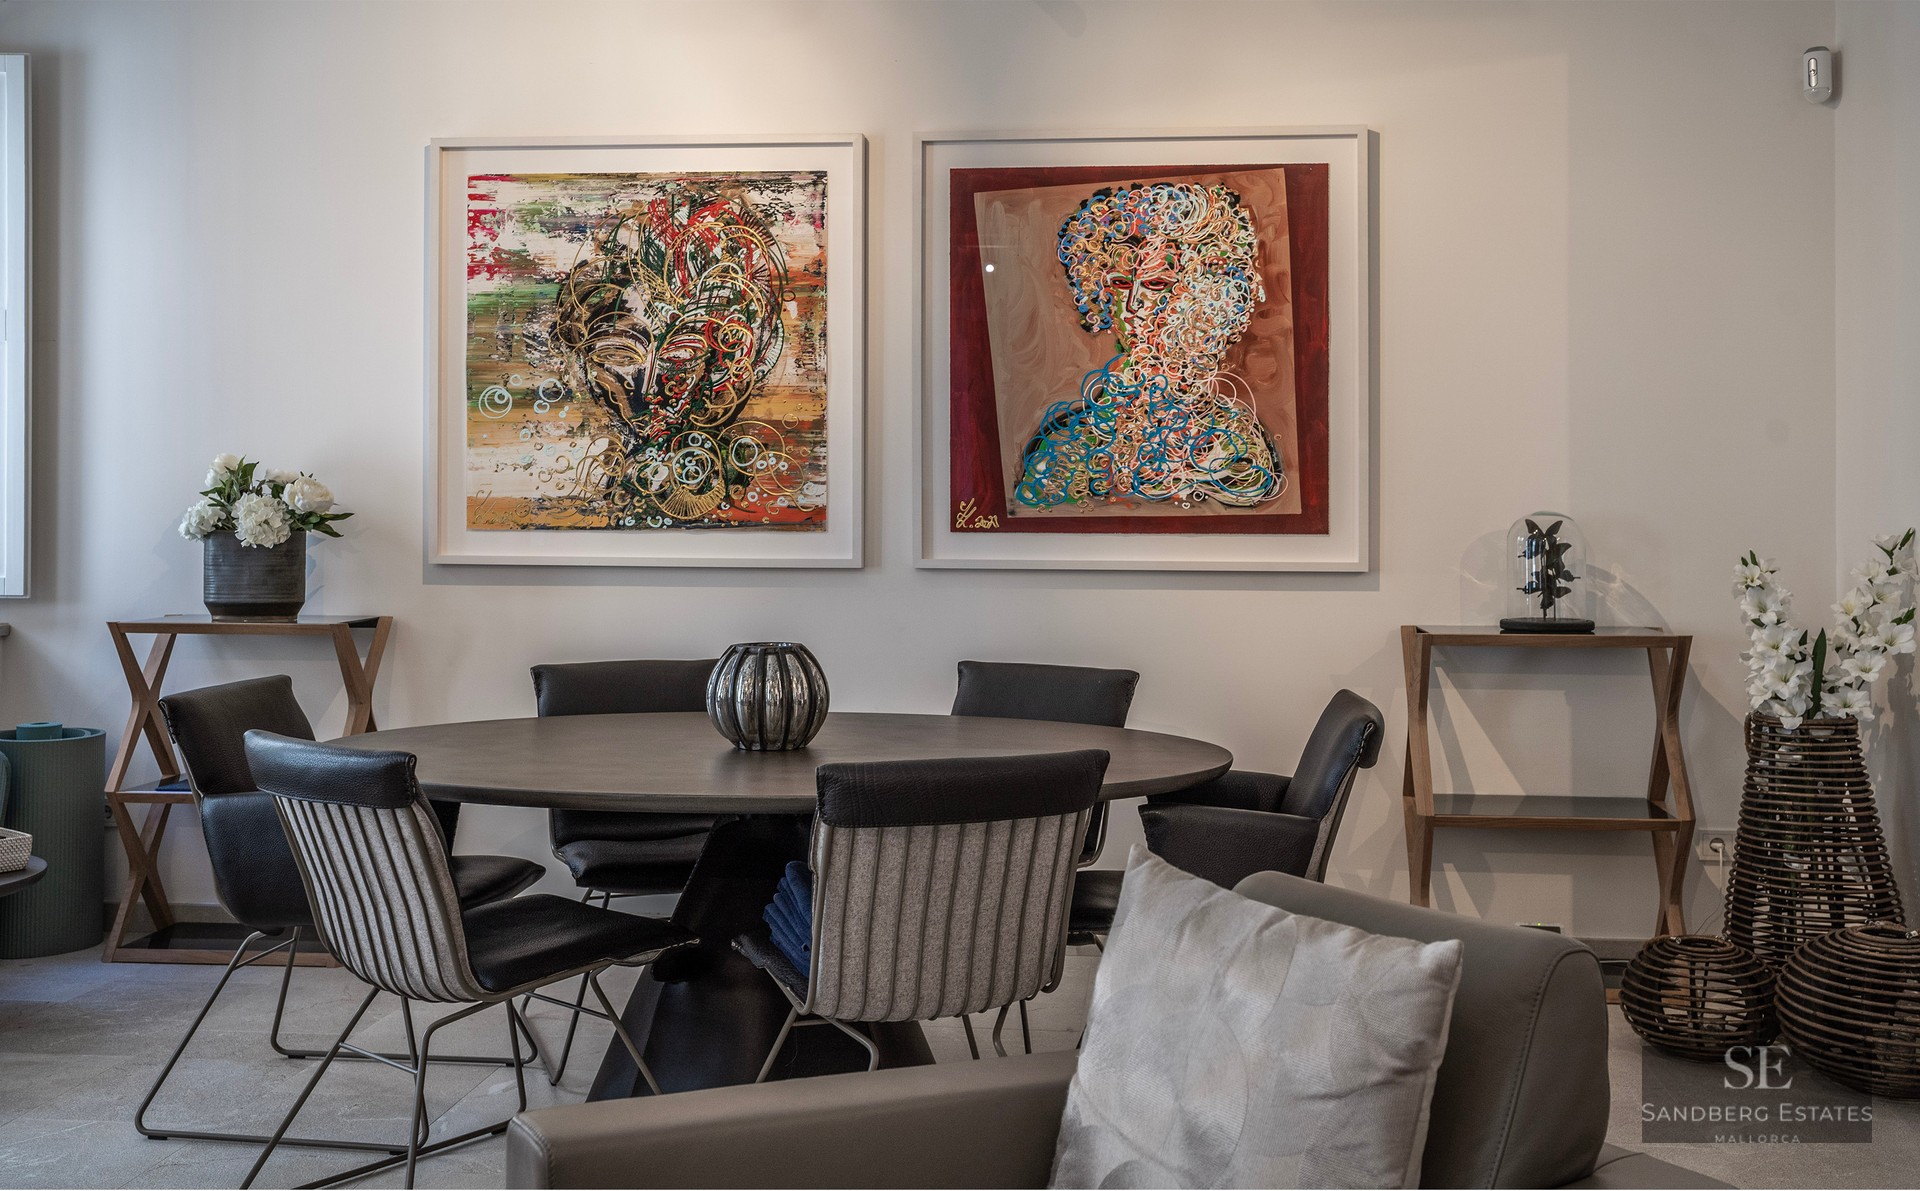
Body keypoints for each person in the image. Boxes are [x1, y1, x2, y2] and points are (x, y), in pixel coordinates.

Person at [1014, 181, 1283, 512]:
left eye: (1156, 285)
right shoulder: (1067, 444)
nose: (1132, 306)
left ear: (1206, 293)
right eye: (1120, 285)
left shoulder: (1236, 448)